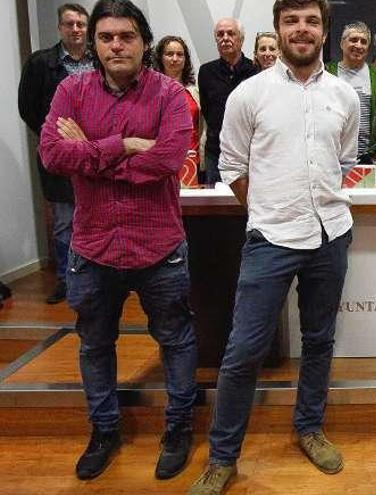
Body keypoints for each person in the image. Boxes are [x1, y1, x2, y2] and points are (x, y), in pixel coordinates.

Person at [187, 1, 360, 493]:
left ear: (324, 31)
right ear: (277, 30)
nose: (301, 30)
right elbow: (233, 167)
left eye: (311, 21)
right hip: (269, 238)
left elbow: (343, 158)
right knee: (243, 351)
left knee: (320, 340)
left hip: (330, 233)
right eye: (291, 21)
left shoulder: (343, 96)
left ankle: (308, 427)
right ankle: (223, 458)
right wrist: (267, 208)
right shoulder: (248, 94)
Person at [38, 0, 197, 482]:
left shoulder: (169, 94)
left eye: (126, 36)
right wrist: (123, 145)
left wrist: (88, 149)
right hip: (93, 246)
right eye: (106, 37)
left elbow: (168, 160)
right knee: (93, 345)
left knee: (175, 338)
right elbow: (50, 154)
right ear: (93, 43)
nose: (116, 45)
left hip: (158, 246)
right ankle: (104, 429)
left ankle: (179, 426)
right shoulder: (71, 89)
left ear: (144, 41)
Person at [18, 3, 92, 305]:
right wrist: (54, 137)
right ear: (60, 27)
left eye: (81, 24)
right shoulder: (41, 63)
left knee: (97, 214)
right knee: (64, 219)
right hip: (59, 156)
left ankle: (100, 276)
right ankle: (66, 279)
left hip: (95, 151)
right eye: (69, 24)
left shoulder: (99, 60)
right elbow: (28, 107)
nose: (76, 29)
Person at [326, 21, 376, 182]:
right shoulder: (327, 72)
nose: (359, 45)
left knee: (366, 205)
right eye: (354, 40)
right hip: (333, 159)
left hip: (369, 159)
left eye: (364, 42)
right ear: (342, 43)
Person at [198, 17, 260, 184]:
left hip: (249, 155)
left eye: (231, 33)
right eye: (220, 34)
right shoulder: (206, 72)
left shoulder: (256, 71)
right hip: (216, 153)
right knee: (216, 207)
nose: (225, 38)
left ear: (241, 39)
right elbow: (206, 110)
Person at [156, 35, 203, 188]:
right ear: (161, 58)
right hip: (162, 162)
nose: (175, 58)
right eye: (169, 54)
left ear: (185, 59)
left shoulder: (195, 92)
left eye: (180, 54)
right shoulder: (151, 91)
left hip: (192, 162)